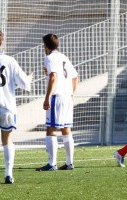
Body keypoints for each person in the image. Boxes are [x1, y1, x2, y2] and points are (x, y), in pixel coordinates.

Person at [0, 28, 33, 183]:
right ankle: (8, 174)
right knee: (7, 140)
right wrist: (29, 78)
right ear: (2, 42)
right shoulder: (9, 60)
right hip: (7, 107)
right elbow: (24, 83)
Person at [36, 34, 78, 171]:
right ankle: (70, 163)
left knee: (51, 129)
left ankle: (52, 163)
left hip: (57, 97)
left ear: (46, 46)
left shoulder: (49, 57)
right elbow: (75, 77)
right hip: (67, 97)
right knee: (66, 129)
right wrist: (71, 93)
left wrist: (47, 97)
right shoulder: (64, 57)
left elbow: (53, 76)